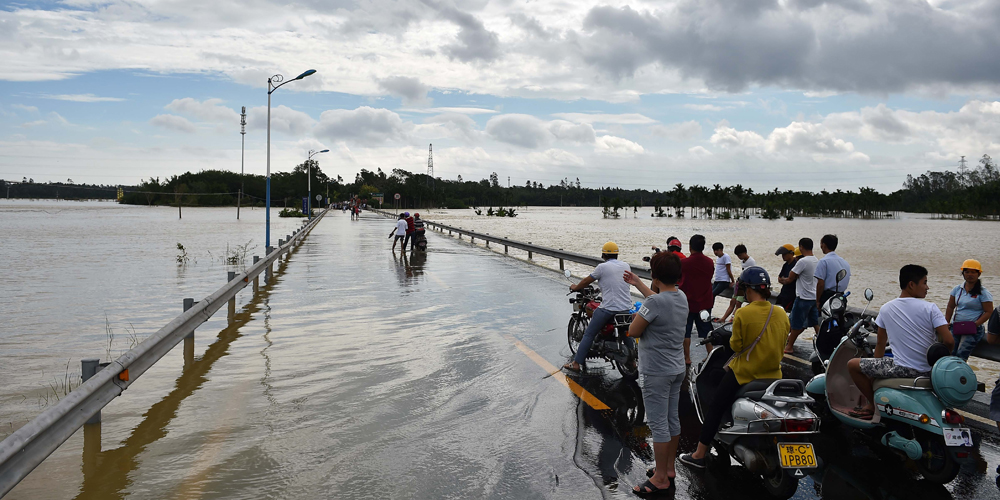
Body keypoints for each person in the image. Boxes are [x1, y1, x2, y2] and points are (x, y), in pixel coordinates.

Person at [679, 267, 790, 469]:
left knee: (716, 406)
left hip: (745, 374)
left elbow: (736, 346)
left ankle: (699, 455)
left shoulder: (744, 313)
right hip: (774, 375)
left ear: (747, 289)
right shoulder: (781, 313)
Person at [847, 265, 954, 419]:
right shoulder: (931, 308)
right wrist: (940, 360)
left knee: (852, 365)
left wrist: (874, 371)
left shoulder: (886, 309)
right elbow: (949, 340)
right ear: (911, 284)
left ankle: (872, 404)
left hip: (902, 369)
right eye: (924, 283)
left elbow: (880, 345)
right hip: (929, 372)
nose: (927, 287)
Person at [623, 252, 687, 495]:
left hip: (657, 371)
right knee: (672, 419)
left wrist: (635, 317)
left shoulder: (654, 304)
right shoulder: (680, 296)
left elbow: (633, 330)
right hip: (676, 368)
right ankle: (668, 469)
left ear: (656, 276)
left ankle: (660, 478)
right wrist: (638, 283)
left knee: (658, 424)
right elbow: (659, 302)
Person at [563, 242, 632, 372]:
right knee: (625, 333)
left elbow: (585, 281)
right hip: (626, 308)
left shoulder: (602, 267)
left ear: (603, 254)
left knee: (589, 334)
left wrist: (575, 287)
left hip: (608, 309)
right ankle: (633, 363)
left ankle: (576, 363)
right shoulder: (625, 265)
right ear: (616, 254)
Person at [945, 259, 994, 360]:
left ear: (978, 274)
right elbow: (950, 306)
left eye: (973, 272)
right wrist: (946, 322)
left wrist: (975, 324)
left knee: (961, 354)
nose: (969, 274)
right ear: (963, 273)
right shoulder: (957, 289)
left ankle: (959, 374)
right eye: (967, 272)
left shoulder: (983, 292)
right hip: (957, 326)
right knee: (949, 353)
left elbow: (989, 311)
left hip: (973, 329)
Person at [681, 234, 715, 366]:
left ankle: (687, 357)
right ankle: (710, 355)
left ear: (690, 247)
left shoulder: (684, 263)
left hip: (688, 302)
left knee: (686, 330)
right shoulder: (709, 262)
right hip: (705, 302)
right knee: (707, 330)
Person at [781, 238, 819, 354]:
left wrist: (784, 280)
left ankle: (789, 346)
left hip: (803, 297)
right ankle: (822, 343)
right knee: (815, 323)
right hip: (813, 297)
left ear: (801, 247)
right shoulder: (816, 260)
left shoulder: (803, 262)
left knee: (796, 323)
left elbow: (791, 276)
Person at [718, 244, 756, 322]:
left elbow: (752, 275)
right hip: (740, 283)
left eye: (740, 255)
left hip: (745, 286)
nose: (739, 257)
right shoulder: (743, 261)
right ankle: (724, 318)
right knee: (732, 301)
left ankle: (732, 319)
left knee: (738, 303)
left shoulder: (751, 262)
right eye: (738, 256)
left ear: (745, 252)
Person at [814, 234, 851, 310]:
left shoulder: (823, 261)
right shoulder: (845, 262)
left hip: (827, 297)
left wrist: (817, 301)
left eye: (821, 244)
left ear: (824, 245)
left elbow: (820, 284)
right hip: (841, 297)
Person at [774, 244, 797, 311]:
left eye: (784, 254)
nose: (783, 256)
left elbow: (789, 280)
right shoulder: (785, 265)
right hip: (783, 293)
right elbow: (779, 278)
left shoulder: (796, 264)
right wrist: (785, 280)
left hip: (791, 295)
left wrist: (785, 280)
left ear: (791, 253)